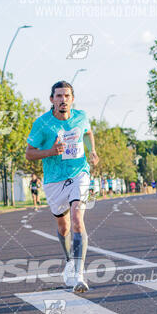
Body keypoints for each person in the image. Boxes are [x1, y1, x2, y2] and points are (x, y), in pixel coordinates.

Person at [25, 80, 99, 292]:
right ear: (51, 100)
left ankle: (79, 273)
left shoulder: (81, 117)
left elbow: (87, 132)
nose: (63, 100)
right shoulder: (42, 124)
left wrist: (91, 150)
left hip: (79, 173)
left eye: (67, 96)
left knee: (77, 218)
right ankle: (69, 261)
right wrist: (51, 151)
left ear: (72, 99)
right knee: (63, 226)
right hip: (54, 179)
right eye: (59, 96)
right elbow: (29, 154)